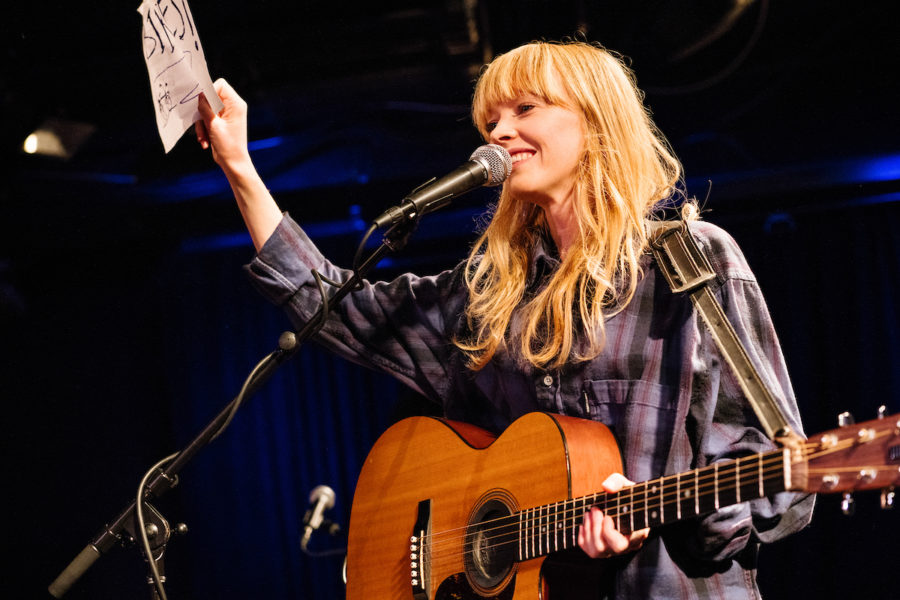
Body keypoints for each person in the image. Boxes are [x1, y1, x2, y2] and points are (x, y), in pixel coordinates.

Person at [196, 40, 813, 599]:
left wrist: (666, 511)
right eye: (491, 121)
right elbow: (341, 308)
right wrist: (240, 167)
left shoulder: (692, 262)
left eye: (525, 110)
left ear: (596, 122)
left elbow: (783, 480)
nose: (499, 132)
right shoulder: (492, 292)